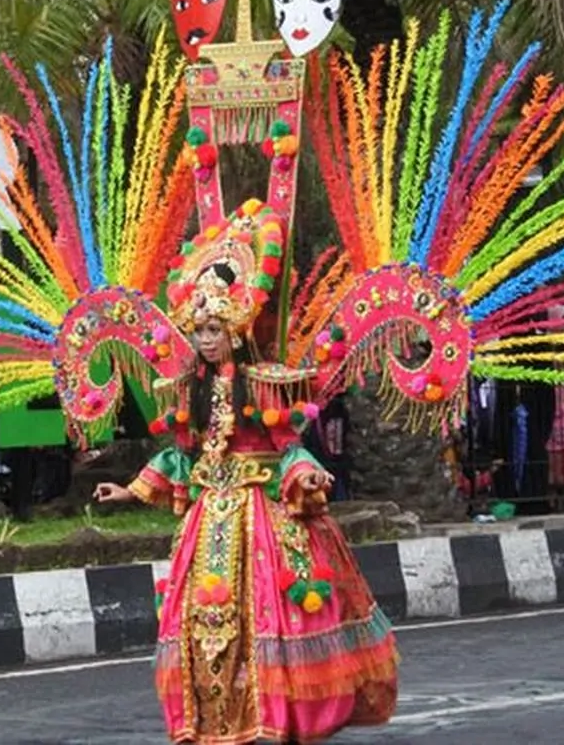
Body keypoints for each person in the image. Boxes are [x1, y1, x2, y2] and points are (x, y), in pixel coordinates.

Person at [93, 238, 398, 743]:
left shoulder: (262, 384)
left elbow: (287, 446)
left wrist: (308, 475)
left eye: (214, 330)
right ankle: (213, 716)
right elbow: (183, 456)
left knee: (269, 613)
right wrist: (129, 490)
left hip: (261, 516)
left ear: (235, 332)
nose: (206, 340)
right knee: (197, 617)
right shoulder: (190, 389)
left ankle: (273, 713)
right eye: (199, 331)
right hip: (209, 514)